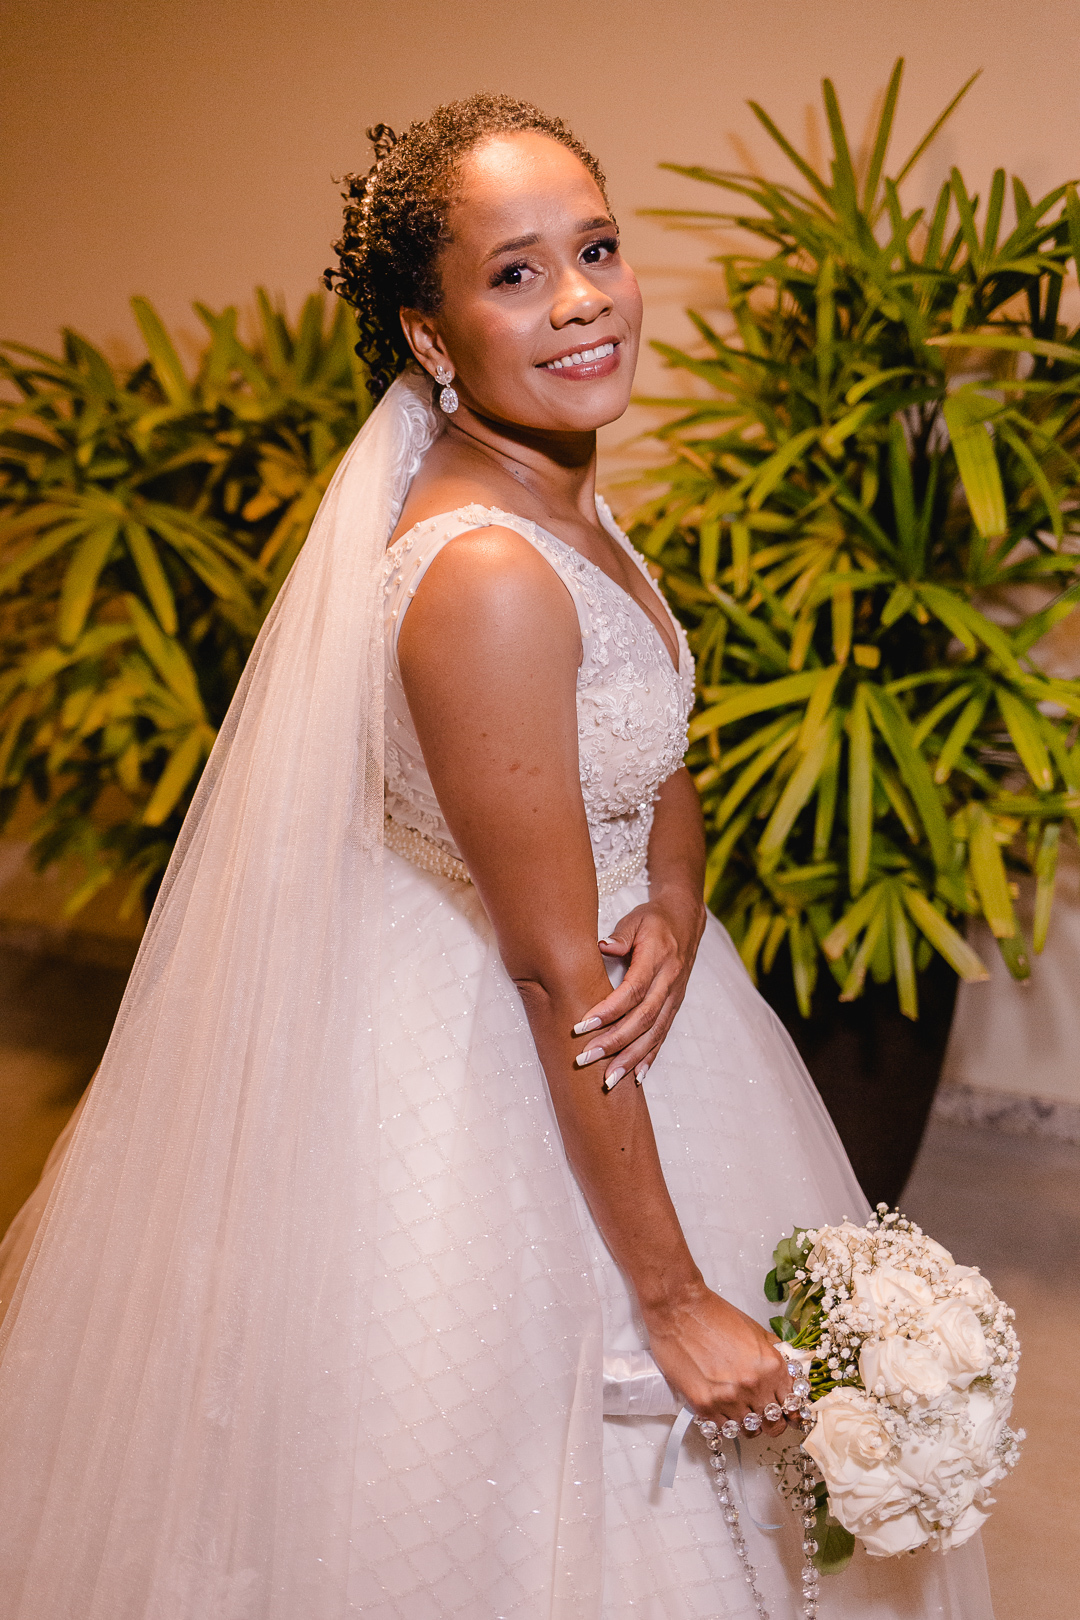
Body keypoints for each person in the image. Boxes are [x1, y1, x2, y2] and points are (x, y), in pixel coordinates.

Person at [0, 96, 994, 1619]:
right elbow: (545, 967)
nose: (583, 296)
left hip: (625, 996)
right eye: (516, 273)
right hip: (513, 1047)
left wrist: (670, 892)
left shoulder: (572, 501)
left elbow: (654, 743)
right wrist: (668, 1299)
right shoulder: (483, 574)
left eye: (596, 248)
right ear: (431, 333)